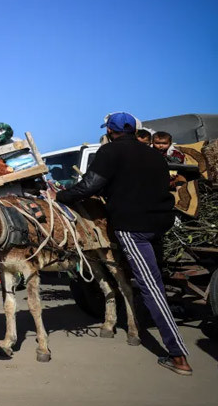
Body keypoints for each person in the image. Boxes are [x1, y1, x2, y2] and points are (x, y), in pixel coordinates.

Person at [54, 112, 191, 376]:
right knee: (153, 278)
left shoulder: (110, 152)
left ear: (111, 131)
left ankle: (178, 355)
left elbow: (88, 187)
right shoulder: (153, 154)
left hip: (133, 227)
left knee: (151, 286)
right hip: (159, 224)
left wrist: (61, 195)